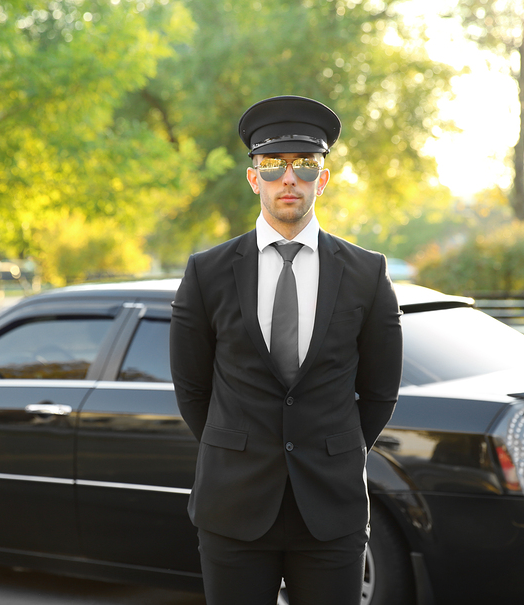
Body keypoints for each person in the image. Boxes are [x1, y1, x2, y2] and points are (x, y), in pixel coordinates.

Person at [169, 95, 403, 605]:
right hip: (232, 507)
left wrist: (331, 448)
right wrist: (237, 447)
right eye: (274, 166)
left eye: (305, 165)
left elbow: (381, 391)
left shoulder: (367, 273)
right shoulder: (207, 273)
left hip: (330, 510)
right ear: (254, 177)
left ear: (324, 177)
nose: (289, 179)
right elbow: (191, 389)